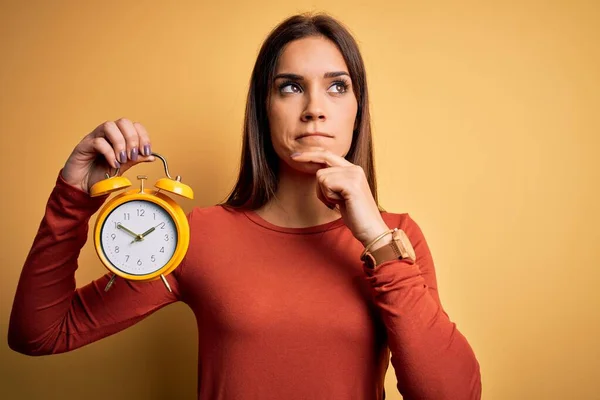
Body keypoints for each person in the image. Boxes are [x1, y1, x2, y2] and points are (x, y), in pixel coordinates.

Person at [8, 12, 481, 400]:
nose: (315, 107)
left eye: (337, 86)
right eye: (290, 86)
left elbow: (454, 396)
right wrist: (72, 195)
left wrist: (376, 240)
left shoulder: (395, 239)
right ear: (264, 107)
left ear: (358, 110)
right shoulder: (195, 236)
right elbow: (40, 332)